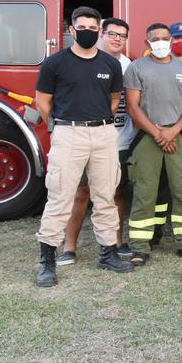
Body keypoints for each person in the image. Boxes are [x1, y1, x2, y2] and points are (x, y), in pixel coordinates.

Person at [33, 7, 133, 287]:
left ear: (99, 31)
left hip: (103, 134)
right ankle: (48, 262)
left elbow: (114, 100)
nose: (88, 31)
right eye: (82, 27)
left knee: (106, 196)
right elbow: (43, 102)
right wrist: (62, 126)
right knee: (60, 197)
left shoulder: (110, 64)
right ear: (72, 30)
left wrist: (99, 123)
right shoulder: (55, 63)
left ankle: (108, 253)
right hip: (68, 133)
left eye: (93, 27)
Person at [57, 17, 136, 266]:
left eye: (122, 35)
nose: (116, 39)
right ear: (102, 34)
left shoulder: (130, 66)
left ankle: (116, 241)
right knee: (80, 192)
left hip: (120, 140)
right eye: (112, 34)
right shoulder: (82, 60)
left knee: (116, 193)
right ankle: (69, 246)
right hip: (83, 137)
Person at [123, 23, 182, 264]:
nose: (161, 42)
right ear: (147, 43)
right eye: (155, 38)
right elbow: (133, 107)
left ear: (170, 40)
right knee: (144, 194)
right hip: (147, 138)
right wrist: (159, 134)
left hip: (179, 137)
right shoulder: (136, 68)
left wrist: (174, 131)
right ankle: (139, 247)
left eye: (164, 37)